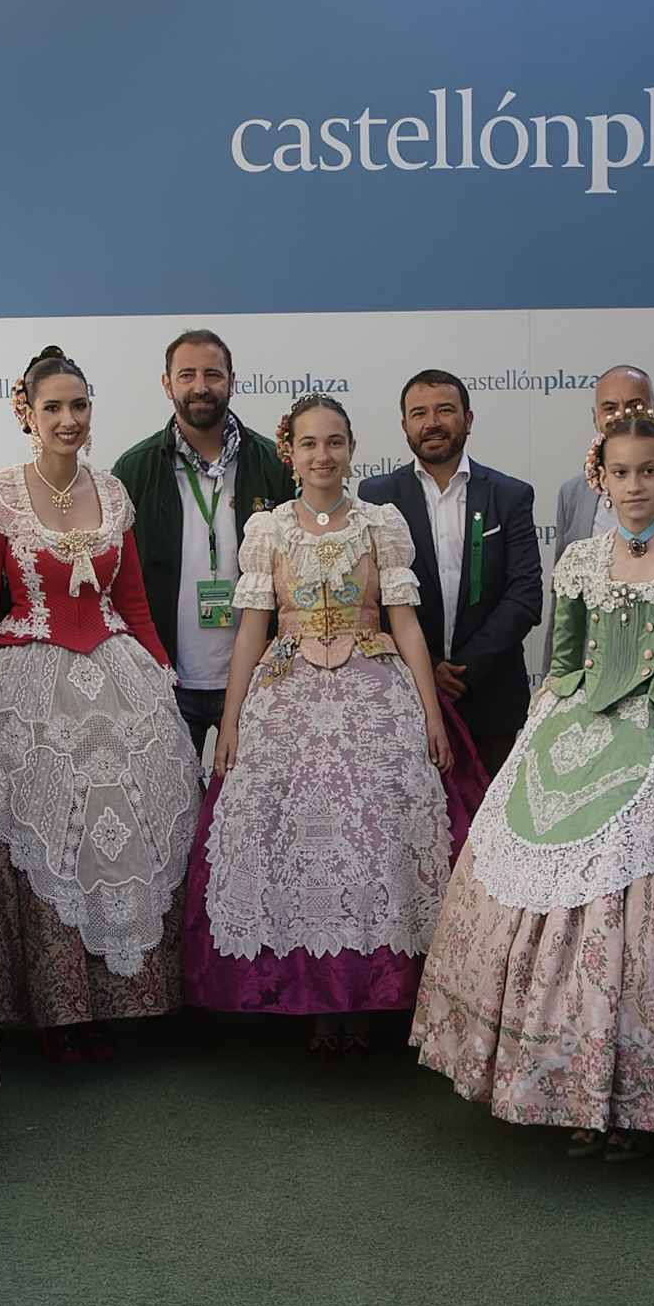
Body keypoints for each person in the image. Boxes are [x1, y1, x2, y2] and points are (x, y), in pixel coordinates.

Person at [416, 413, 654, 1159]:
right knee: (552, 889)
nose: (635, 486)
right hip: (578, 733)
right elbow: (562, 660)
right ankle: (568, 1086)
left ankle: (643, 1095)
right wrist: (536, 739)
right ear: (600, 478)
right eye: (621, 473)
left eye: (649, 471)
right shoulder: (580, 559)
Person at [180, 394, 458, 1050]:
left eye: (334, 442)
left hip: (371, 693)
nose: (322, 455)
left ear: (352, 448)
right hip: (287, 693)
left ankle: (363, 1002)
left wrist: (428, 712)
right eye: (309, 444)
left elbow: (405, 624)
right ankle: (310, 1003)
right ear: (290, 453)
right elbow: (251, 629)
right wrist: (234, 717)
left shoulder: (380, 523)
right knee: (290, 842)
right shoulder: (268, 530)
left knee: (374, 839)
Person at [0, 345, 201, 1057]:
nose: (68, 420)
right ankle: (60, 1011)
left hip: (116, 674)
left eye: (78, 406)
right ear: (26, 414)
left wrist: (161, 669)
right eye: (53, 408)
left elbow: (130, 599)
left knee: (131, 826)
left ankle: (131, 1000)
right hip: (34, 682)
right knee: (55, 834)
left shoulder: (113, 492)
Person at [114, 328, 293, 757]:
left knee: (254, 814)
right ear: (167, 384)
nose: (200, 387)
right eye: (187, 375)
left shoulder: (276, 464)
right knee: (174, 815)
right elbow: (118, 579)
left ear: (232, 381)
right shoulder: (134, 470)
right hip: (166, 680)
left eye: (212, 375)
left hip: (259, 676)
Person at [360, 369, 546, 775]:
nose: (432, 423)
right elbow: (369, 599)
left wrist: (467, 670)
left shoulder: (509, 495)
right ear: (405, 425)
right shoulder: (374, 498)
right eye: (419, 413)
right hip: (403, 695)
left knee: (488, 831)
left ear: (468, 419)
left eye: (445, 410)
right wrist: (425, 665)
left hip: (491, 696)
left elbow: (525, 594)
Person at [548, 365, 654, 554]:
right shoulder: (572, 492)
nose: (623, 416)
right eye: (610, 408)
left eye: (635, 406)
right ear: (595, 417)